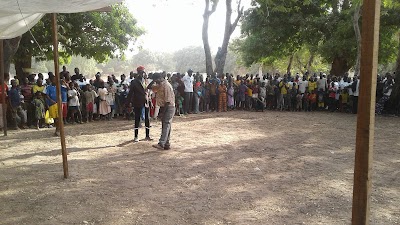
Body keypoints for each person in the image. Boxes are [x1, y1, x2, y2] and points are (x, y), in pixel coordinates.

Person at [127, 66, 152, 142]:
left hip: (146, 102)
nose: (143, 73)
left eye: (143, 72)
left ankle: (147, 136)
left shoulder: (146, 81)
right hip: (137, 102)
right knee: (137, 119)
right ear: (138, 73)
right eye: (141, 72)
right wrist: (128, 103)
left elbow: (147, 92)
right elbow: (130, 93)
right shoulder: (134, 82)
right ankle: (136, 136)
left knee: (147, 119)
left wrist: (149, 100)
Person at [151, 73, 176, 150]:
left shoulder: (166, 85)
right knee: (167, 125)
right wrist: (154, 81)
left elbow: (168, 101)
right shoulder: (161, 85)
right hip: (165, 106)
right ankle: (166, 143)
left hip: (168, 107)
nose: (155, 82)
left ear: (160, 78)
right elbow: (150, 87)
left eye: (156, 80)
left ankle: (161, 143)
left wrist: (162, 113)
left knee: (166, 125)